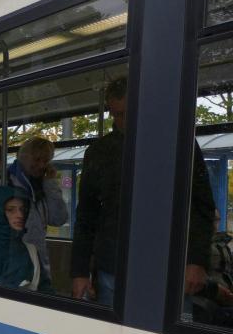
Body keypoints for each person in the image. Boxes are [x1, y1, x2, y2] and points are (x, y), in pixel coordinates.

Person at [71, 77, 216, 304]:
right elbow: (86, 216)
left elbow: (200, 205)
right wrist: (80, 271)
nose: (124, 121)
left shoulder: (178, 141)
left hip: (167, 265)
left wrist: (196, 260)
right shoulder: (99, 152)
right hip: (113, 265)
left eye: (130, 112)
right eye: (117, 115)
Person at [0, 137, 67, 278]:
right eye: (37, 160)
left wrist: (51, 184)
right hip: (11, 264)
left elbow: (59, 219)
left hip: (39, 263)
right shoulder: (5, 187)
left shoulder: (42, 188)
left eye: (45, 161)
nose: (41, 165)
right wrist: (5, 258)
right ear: (23, 157)